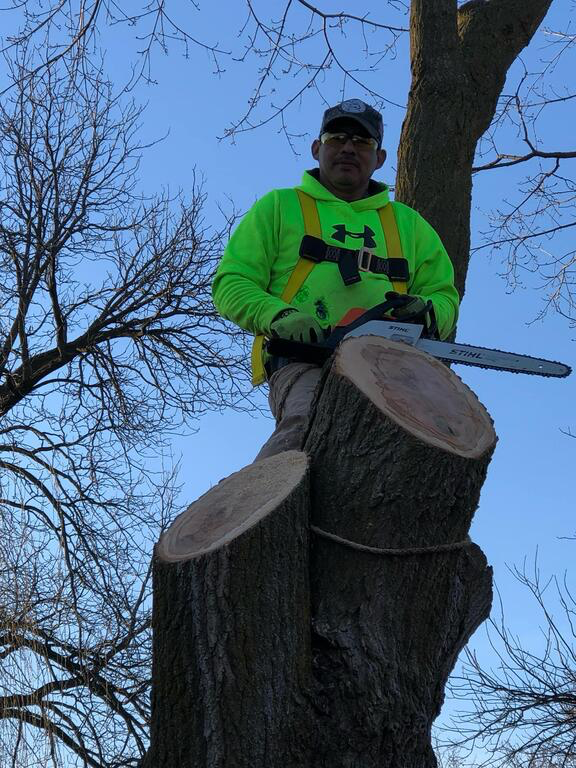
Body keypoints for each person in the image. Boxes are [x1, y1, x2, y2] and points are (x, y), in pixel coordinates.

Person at [212, 99, 460, 460]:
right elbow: (231, 282)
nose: (348, 148)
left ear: (379, 158)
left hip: (394, 364)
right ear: (317, 148)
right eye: (337, 137)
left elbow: (443, 295)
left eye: (362, 142)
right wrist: (279, 316)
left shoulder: (410, 225)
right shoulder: (279, 207)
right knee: (305, 427)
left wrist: (428, 311)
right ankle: (270, 504)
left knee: (418, 453)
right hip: (305, 357)